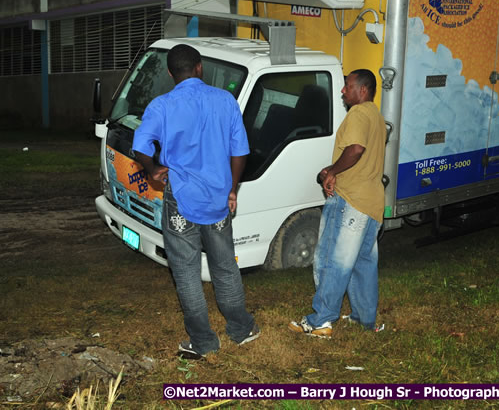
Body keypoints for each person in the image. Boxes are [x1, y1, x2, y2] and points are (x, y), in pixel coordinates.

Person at [133, 44, 259, 360]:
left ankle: (203, 342)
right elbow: (240, 151)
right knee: (224, 266)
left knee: (186, 272)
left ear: (170, 73)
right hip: (218, 198)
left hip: (181, 200)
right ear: (200, 67)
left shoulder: (161, 106)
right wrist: (233, 189)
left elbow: (140, 145)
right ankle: (241, 330)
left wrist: (152, 169)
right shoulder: (225, 101)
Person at [289, 69, 385, 338]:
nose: (343, 91)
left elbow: (355, 149)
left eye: (347, 86)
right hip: (372, 202)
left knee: (333, 260)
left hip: (351, 200)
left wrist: (332, 173)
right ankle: (364, 318)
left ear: (362, 90)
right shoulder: (375, 116)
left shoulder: (358, 113)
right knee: (362, 262)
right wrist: (332, 168)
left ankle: (321, 320)